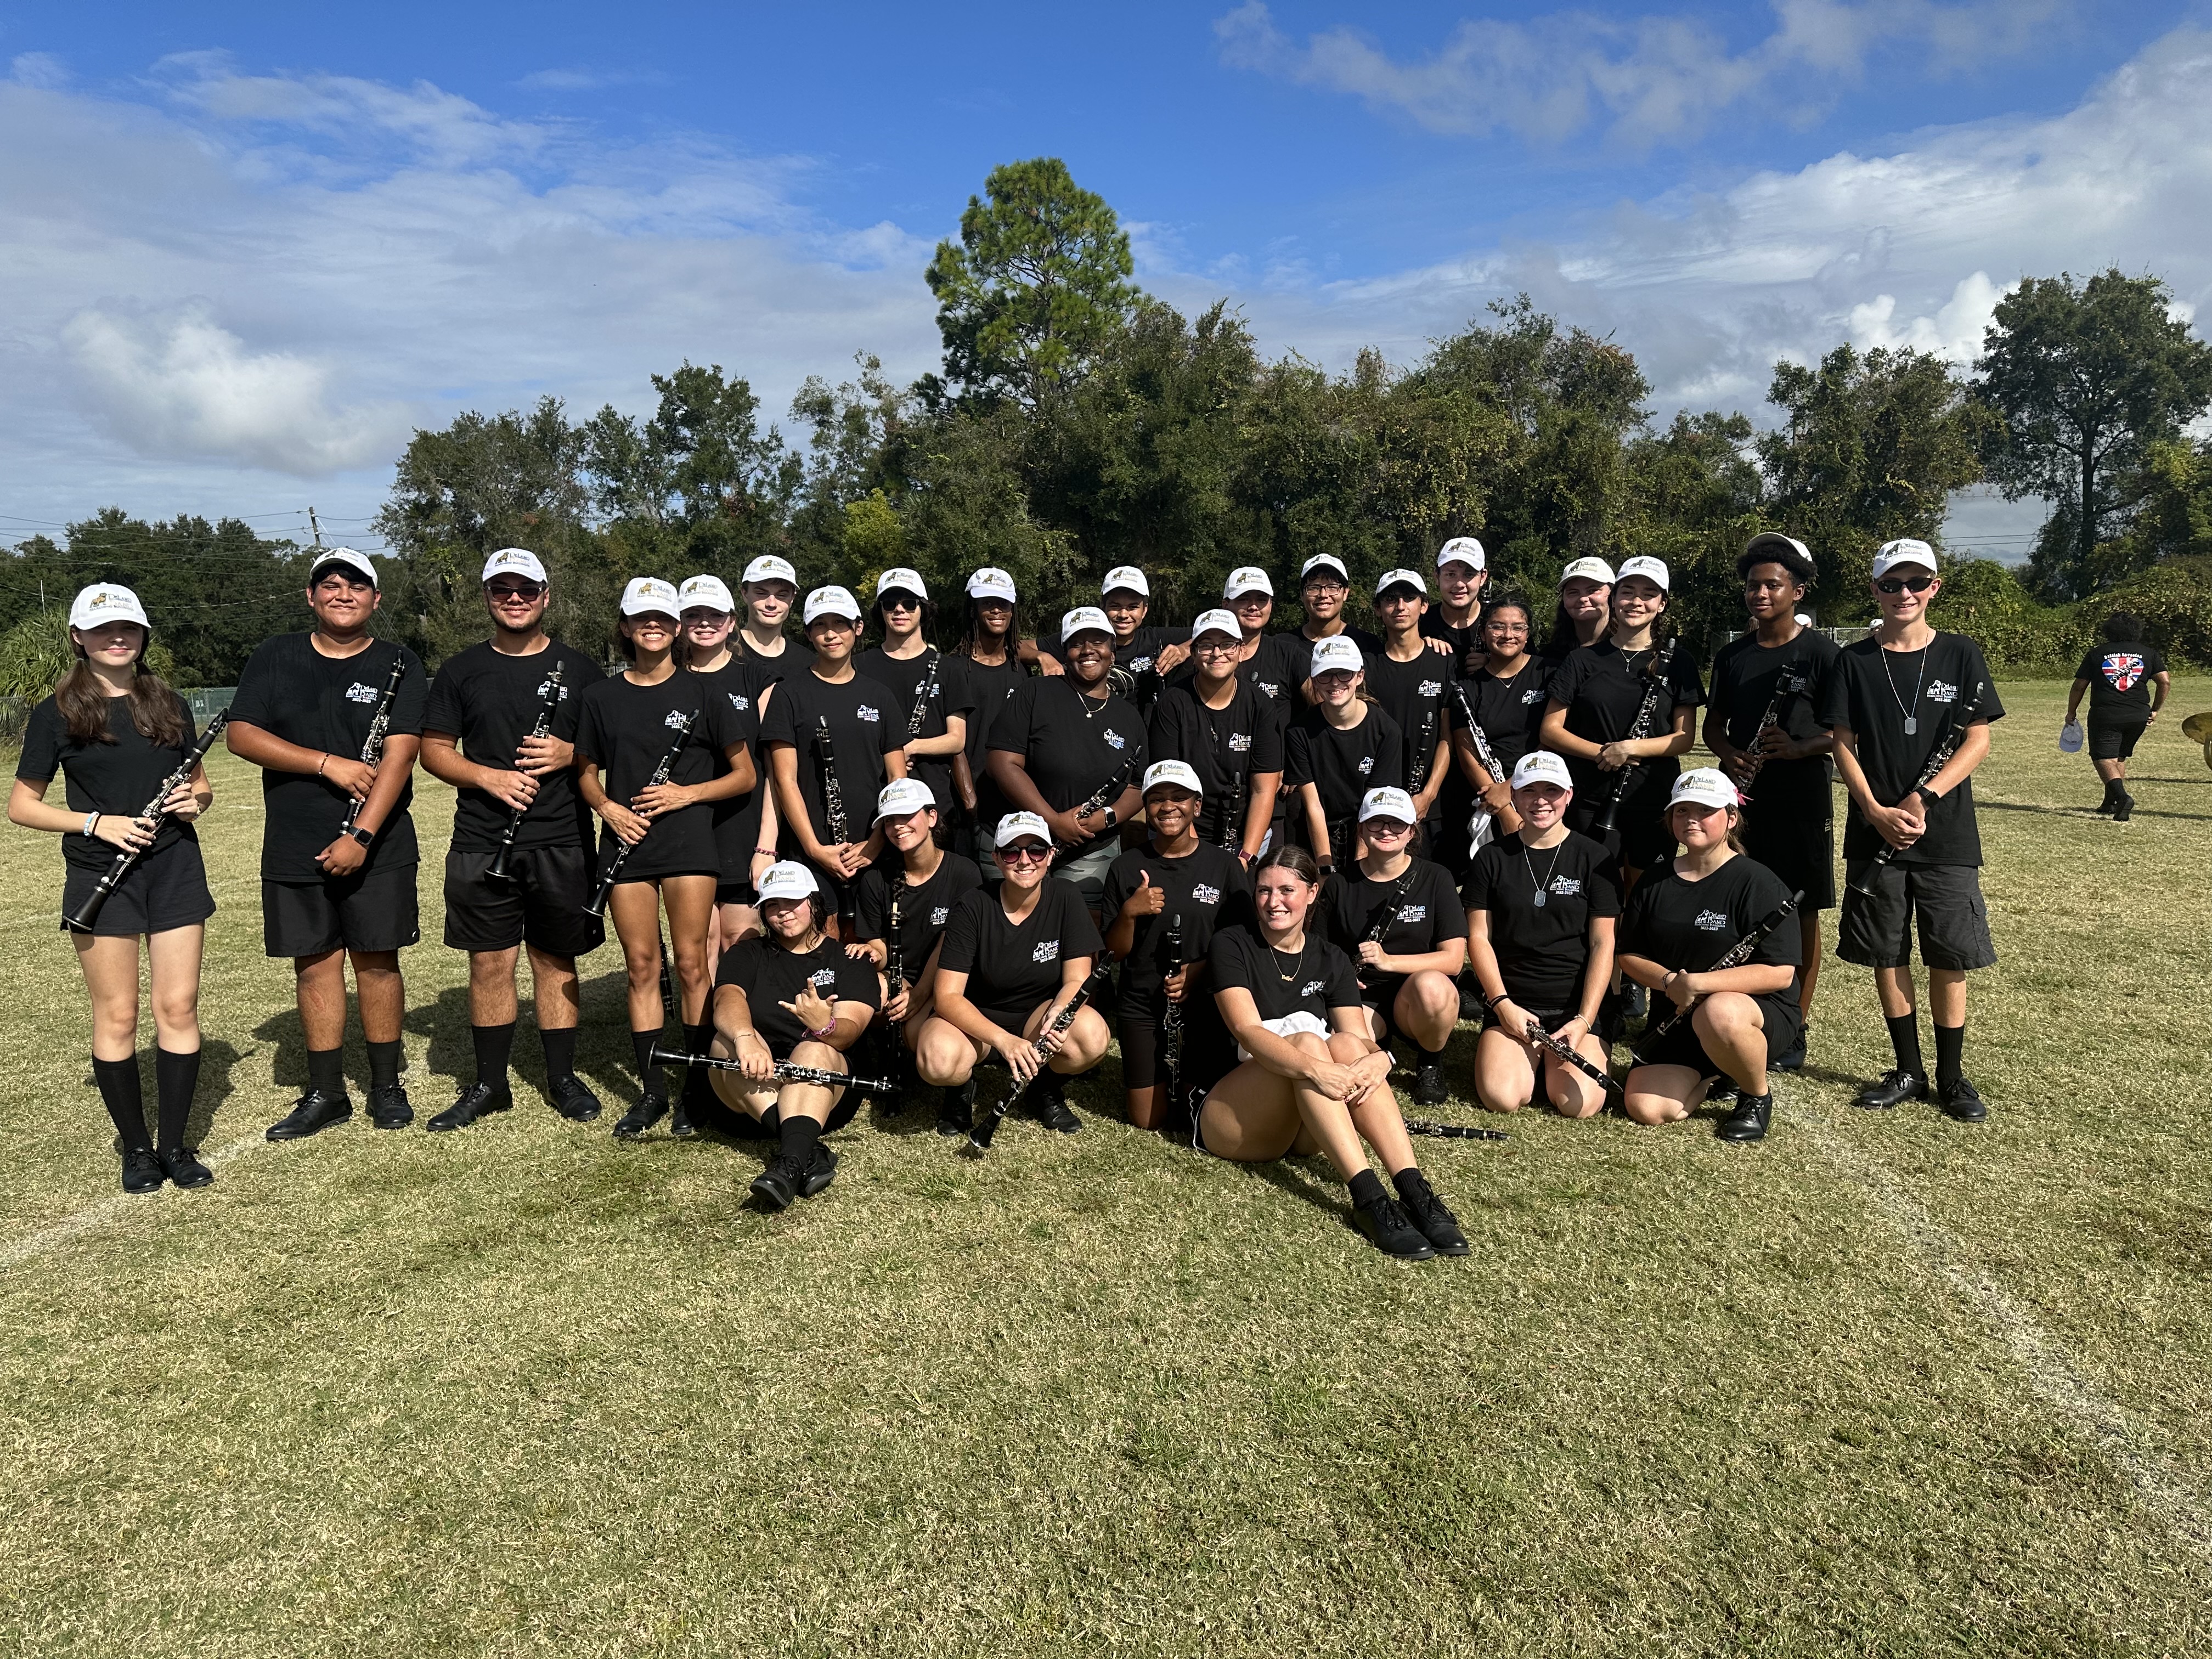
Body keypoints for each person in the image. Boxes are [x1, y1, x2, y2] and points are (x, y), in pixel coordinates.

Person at [8, 584, 216, 1192]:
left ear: (143, 634)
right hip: (101, 873)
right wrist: (98, 822)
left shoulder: (169, 702)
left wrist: (192, 802)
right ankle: (137, 1149)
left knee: (177, 1007)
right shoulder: (56, 713)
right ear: (79, 639)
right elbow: (22, 807)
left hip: (175, 866)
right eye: (102, 630)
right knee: (119, 1014)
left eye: (127, 627)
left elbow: (202, 788)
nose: (116, 637)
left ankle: (176, 1146)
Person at [227, 548, 426, 1139]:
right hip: (295, 841)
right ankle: (326, 1093)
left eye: (356, 585)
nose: (343, 593)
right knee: (315, 967)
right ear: (311, 597)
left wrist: (362, 835)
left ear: (376, 598)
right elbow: (241, 734)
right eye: (330, 584)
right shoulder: (276, 655)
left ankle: (387, 1087)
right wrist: (325, 765)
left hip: (378, 844)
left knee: (377, 962)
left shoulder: (400, 660)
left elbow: (402, 752)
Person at [1196, 846, 1468, 1262]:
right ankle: (1369, 1199)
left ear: (1312, 893)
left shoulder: (1332, 957)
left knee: (1345, 1046)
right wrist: (1314, 1068)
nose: (1274, 902)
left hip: (1306, 1124)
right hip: (1233, 1119)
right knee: (1308, 1041)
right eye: (1264, 891)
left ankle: (1414, 1189)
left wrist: (1382, 1059)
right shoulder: (1231, 944)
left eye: (1287, 890)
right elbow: (1246, 1031)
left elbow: (1358, 1039)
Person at [418, 548, 608, 1131]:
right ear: (488, 598)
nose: (516, 598)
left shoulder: (581, 671)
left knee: (556, 962)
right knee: (490, 965)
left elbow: (609, 747)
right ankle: (490, 1084)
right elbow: (434, 750)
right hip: (482, 838)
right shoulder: (459, 671)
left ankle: (561, 1077)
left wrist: (571, 753)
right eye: (503, 589)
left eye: (527, 589)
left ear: (546, 595)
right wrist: (488, 777)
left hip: (562, 839)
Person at [1820, 539, 2005, 1122]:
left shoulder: (1960, 653)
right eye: (1891, 584)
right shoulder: (1853, 660)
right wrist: (1873, 809)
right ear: (1875, 590)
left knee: (1948, 954)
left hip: (1945, 833)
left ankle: (1951, 1077)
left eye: (1915, 583)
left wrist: (1925, 796)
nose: (1904, 594)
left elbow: (1978, 738)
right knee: (1887, 951)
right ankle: (1908, 1069)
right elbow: (1840, 743)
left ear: (1934, 588)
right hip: (1876, 832)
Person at [574, 577, 757, 1140]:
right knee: (641, 968)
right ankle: (653, 1092)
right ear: (626, 627)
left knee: (693, 966)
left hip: (688, 846)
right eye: (640, 618)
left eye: (663, 618)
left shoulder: (705, 694)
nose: (653, 626)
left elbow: (745, 775)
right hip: (627, 843)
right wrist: (608, 808)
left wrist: (685, 794)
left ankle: (697, 1089)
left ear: (676, 628)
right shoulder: (601, 697)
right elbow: (584, 771)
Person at [1703, 534, 1839, 1069]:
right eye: (1753, 585)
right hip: (1741, 796)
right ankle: (1734, 1006)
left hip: (1801, 797)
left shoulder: (1825, 655)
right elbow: (1714, 726)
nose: (1760, 593)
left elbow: (1848, 732)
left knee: (1801, 910)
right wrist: (1731, 754)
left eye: (1772, 585)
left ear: (1797, 591)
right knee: (1737, 904)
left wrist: (1802, 746)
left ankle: (1795, 1024)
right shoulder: (1733, 655)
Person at [1616, 770, 1802, 1143]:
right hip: (1678, 1016)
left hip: (1751, 1017)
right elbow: (1629, 956)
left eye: (1705, 810)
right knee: (1646, 1108)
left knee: (1719, 1012)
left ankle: (1755, 1094)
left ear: (1731, 818)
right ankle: (1719, 1072)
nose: (1692, 820)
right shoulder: (1654, 879)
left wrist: (1700, 984)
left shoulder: (1759, 883)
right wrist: (1670, 983)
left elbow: (1780, 974)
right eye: (1682, 811)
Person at [916, 812, 1113, 1136]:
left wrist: (1057, 1014)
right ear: (996, 858)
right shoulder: (973, 904)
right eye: (1011, 851)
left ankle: (1044, 1086)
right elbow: (948, 997)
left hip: (1035, 1015)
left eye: (1036, 850)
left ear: (1051, 855)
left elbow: (1077, 980)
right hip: (975, 1021)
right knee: (937, 1061)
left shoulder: (1066, 897)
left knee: (1091, 1038)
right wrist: (1004, 1041)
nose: (1024, 860)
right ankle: (961, 1089)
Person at [703, 861, 882, 1211]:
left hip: (826, 1092)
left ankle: (787, 1165)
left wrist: (824, 1025)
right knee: (723, 1043)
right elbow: (727, 999)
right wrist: (745, 1038)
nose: (783, 912)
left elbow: (850, 1032)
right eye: (772, 905)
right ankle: (806, 1150)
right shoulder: (747, 953)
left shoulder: (849, 960)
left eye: (792, 901)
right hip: (753, 1093)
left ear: (814, 902)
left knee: (813, 1050)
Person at [1460, 752, 1619, 1119]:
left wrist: (1583, 1020)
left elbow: (1603, 943)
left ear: (1569, 795)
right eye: (1529, 790)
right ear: (1513, 796)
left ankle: (1563, 1053)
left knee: (1579, 1105)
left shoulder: (1595, 857)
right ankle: (1531, 1056)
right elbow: (1479, 938)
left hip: (1574, 1006)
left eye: (1552, 790)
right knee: (1502, 1097)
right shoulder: (1491, 858)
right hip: (1514, 1004)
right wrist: (1501, 1005)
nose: (1541, 800)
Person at [1100, 761, 1252, 1130]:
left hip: (1204, 1003)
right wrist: (1130, 913)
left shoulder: (1226, 866)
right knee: (1148, 1120)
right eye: (1156, 799)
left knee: (1193, 1114)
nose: (1168, 806)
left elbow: (1242, 944)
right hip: (1143, 1004)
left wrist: (1197, 971)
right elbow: (1114, 952)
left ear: (1196, 806)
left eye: (1179, 797)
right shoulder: (1126, 867)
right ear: (1147, 809)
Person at [1540, 554, 1703, 881]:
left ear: (1662, 604)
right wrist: (1604, 753)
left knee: (1646, 895)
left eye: (1648, 594)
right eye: (1628, 592)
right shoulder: (1582, 660)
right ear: (1614, 599)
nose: (1636, 602)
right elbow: (1550, 730)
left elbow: (1684, 738)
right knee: (1599, 895)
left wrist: (1629, 750)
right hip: (1591, 796)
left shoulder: (1679, 661)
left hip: (1652, 796)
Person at [759, 585, 909, 928]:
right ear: (809, 633)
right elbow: (785, 780)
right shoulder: (788, 694)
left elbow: (898, 782)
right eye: (820, 625)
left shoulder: (880, 696)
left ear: (857, 628)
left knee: (871, 950)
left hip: (874, 847)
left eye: (840, 624)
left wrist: (874, 845)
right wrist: (814, 849)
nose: (830, 634)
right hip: (812, 851)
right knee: (821, 954)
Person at [988, 607, 1148, 912]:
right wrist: (1053, 821)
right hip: (1019, 844)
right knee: (1009, 930)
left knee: (1079, 938)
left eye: (1098, 642)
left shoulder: (1130, 717)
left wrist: (1105, 818)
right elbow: (1002, 763)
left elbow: (1137, 786)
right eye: (1077, 643)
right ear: (1065, 653)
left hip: (1090, 850)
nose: (1088, 650)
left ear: (1113, 652)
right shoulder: (1034, 692)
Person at [848, 778, 985, 1133]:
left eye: (908, 815)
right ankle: (874, 1065)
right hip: (900, 979)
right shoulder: (876, 879)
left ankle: (960, 1086)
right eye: (889, 820)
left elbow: (955, 946)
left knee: (930, 1049)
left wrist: (919, 994)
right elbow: (877, 944)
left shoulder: (965, 873)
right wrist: (873, 957)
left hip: (948, 981)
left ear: (933, 817)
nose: (898, 826)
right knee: (863, 991)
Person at [1326, 787, 1466, 1106]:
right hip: (1362, 996)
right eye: (1376, 823)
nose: (1387, 830)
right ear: (1361, 829)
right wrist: (1344, 974)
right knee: (1344, 1053)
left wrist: (1389, 961)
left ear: (1411, 832)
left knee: (1433, 986)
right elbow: (1321, 951)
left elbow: (1454, 960)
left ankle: (1430, 1061)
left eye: (1397, 824)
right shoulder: (1338, 883)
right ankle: (1381, 1044)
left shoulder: (1436, 877)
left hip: (1415, 996)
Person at [676, 572, 768, 961]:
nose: (704, 623)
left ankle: (736, 1022)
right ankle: (703, 1024)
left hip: (742, 827)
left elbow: (773, 769)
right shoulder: (668, 680)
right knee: (699, 946)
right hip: (684, 828)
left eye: (714, 615)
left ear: (732, 621)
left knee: (739, 940)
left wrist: (767, 845)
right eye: (693, 614)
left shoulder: (757, 678)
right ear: (679, 623)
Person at [1146, 608, 1283, 862]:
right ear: (1194, 655)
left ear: (1241, 651)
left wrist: (1245, 857)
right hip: (1182, 835)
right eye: (1207, 646)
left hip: (1246, 838)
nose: (1217, 653)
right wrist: (1199, 859)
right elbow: (1170, 788)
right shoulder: (1172, 703)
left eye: (1227, 644)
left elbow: (1263, 790)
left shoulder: (1260, 705)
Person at [855, 567, 972, 837]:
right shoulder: (859, 665)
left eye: (909, 603)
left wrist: (909, 748)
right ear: (880, 611)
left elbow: (957, 739)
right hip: (874, 802)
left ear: (924, 609)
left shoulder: (948, 669)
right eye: (890, 604)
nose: (899, 610)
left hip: (934, 806)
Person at [1284, 635, 1403, 871]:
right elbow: (1313, 806)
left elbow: (1373, 806)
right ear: (1315, 681)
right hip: (1314, 833)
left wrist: (1361, 865)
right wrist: (1325, 866)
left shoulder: (1386, 731)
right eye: (1325, 675)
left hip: (1366, 832)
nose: (1335, 683)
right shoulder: (1298, 731)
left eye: (1344, 674)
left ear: (1360, 676)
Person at [1359, 570, 1453, 849]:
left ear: (1424, 606)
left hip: (1427, 808)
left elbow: (1449, 738)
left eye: (1409, 598)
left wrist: (1428, 795)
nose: (1400, 606)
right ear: (1378, 609)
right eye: (1390, 599)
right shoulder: (1364, 667)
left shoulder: (1444, 661)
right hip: (1375, 807)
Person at [1448, 594, 1549, 849]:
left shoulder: (1549, 673)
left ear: (1528, 634)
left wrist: (1512, 786)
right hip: (1491, 800)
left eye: (1518, 628)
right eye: (1497, 627)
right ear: (1482, 633)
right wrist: (1504, 809)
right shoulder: (1467, 688)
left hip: (1546, 793)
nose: (1508, 635)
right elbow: (1466, 751)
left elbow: (1555, 737)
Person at [947, 567, 1030, 863]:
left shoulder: (1022, 672)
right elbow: (955, 745)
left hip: (1013, 807)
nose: (997, 610)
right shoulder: (954, 669)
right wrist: (971, 806)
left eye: (1004, 604)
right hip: (967, 814)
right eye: (987, 603)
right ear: (973, 609)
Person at [1041, 566, 1190, 710]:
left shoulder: (1154, 638)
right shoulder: (1079, 641)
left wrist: (1185, 650)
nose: (1124, 615)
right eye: (1116, 606)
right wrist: (1042, 656)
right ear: (1103, 606)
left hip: (1145, 728)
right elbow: (1020, 647)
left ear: (1145, 610)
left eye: (1132, 607)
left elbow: (1208, 634)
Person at [2067, 612, 2167, 821]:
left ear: (2108, 631)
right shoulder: (2148, 653)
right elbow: (2164, 681)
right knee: (2119, 756)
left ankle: (2122, 797)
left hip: (2107, 713)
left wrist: (2072, 711)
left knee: (2102, 757)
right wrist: (2155, 709)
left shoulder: (2097, 654)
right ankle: (2109, 803)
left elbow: (2080, 686)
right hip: (2138, 714)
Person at [1219, 566, 1310, 722]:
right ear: (1226, 606)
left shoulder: (1289, 655)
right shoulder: (1205, 656)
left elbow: (1327, 704)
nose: (1253, 607)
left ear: (1270, 606)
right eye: (1244, 598)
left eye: (1262, 599)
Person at [1290, 554, 1383, 703]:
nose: (1323, 595)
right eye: (1313, 588)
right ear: (1302, 594)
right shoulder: (1284, 647)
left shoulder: (1369, 645)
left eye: (1333, 587)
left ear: (1345, 593)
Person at [1420, 536, 1491, 666]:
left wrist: (1497, 666)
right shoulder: (1418, 625)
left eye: (1469, 575)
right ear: (1437, 576)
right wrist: (1417, 648)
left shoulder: (1504, 625)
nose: (1459, 584)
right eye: (1451, 575)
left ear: (1483, 577)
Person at [1542, 556, 1615, 663]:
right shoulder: (1549, 657)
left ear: (1613, 596)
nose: (1583, 599)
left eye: (1593, 590)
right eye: (1573, 592)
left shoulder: (1628, 652)